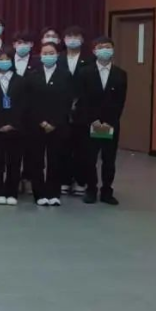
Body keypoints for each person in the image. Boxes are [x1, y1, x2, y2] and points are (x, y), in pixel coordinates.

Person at [78, 37, 127, 206]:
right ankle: (91, 189)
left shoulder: (120, 74)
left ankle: (107, 191)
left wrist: (110, 122)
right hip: (91, 123)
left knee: (109, 159)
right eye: (100, 47)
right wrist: (93, 120)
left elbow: (120, 102)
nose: (104, 50)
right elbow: (83, 100)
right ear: (94, 51)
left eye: (107, 47)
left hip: (110, 124)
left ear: (113, 50)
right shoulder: (85, 72)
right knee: (89, 158)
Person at [26, 43, 73, 206]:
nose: (48, 56)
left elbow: (67, 101)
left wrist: (54, 122)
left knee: (55, 160)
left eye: (51, 53)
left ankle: (54, 193)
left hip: (57, 125)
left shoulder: (65, 75)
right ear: (40, 55)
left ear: (57, 55)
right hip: (36, 124)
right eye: (45, 53)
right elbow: (29, 102)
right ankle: (39, 193)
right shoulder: (32, 75)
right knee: (36, 160)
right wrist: (41, 121)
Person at [0, 48, 28, 205]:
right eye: (1, 59)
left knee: (14, 162)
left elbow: (24, 105)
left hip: (15, 129)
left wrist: (13, 124)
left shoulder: (20, 80)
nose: (4, 62)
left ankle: (12, 192)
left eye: (7, 59)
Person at [59, 26, 94, 195]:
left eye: (76, 36)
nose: (72, 39)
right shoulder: (58, 58)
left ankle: (81, 181)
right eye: (69, 36)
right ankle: (64, 180)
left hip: (83, 110)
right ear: (64, 40)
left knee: (82, 148)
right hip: (62, 110)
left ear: (82, 39)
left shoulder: (90, 59)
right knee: (63, 147)